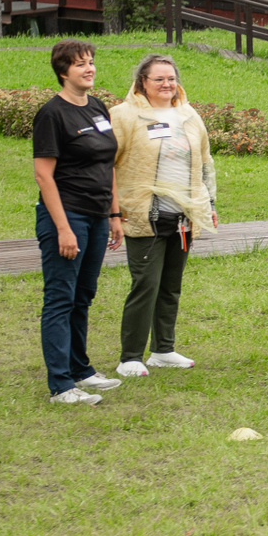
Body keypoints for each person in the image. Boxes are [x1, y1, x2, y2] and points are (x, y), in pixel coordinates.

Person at [110, 54, 217, 377]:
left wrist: (209, 204)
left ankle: (163, 350)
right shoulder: (124, 115)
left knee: (171, 286)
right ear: (142, 82)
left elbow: (205, 161)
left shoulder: (188, 115)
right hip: (144, 215)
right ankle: (130, 356)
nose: (167, 84)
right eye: (159, 79)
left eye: (171, 78)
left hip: (182, 218)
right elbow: (106, 164)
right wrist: (111, 210)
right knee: (146, 285)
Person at [33, 39, 123, 405]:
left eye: (91, 62)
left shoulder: (98, 107)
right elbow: (43, 175)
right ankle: (61, 385)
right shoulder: (52, 114)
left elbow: (107, 163)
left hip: (98, 215)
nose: (89, 68)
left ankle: (80, 369)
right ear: (63, 72)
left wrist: (114, 214)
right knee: (61, 297)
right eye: (80, 64)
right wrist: (63, 228)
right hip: (67, 215)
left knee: (83, 295)